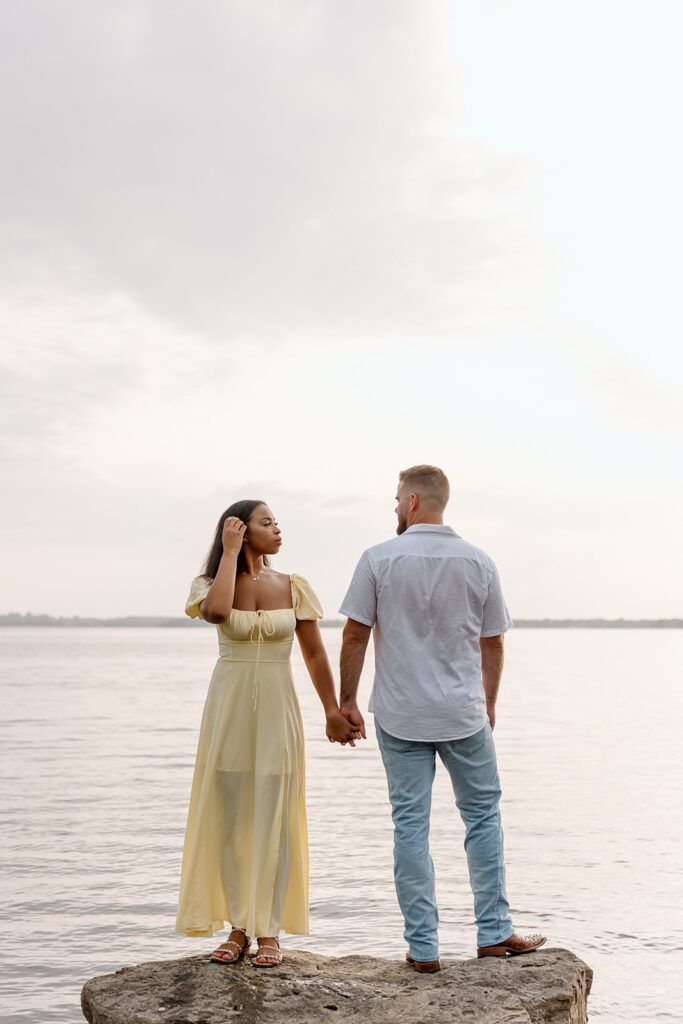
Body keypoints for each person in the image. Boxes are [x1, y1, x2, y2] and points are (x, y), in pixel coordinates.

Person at [338, 465, 546, 972]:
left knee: (410, 826)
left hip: (399, 712)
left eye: (394, 500)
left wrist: (346, 702)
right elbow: (493, 640)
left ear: (412, 502)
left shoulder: (377, 559)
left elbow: (354, 636)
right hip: (463, 712)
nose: (393, 509)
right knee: (483, 817)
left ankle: (424, 949)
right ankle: (495, 933)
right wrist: (488, 700)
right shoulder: (479, 560)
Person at [176, 499, 358, 968]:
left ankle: (269, 930)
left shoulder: (293, 585)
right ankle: (238, 928)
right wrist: (230, 554)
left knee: (275, 814)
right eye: (266, 522)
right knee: (232, 814)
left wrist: (332, 712)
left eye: (277, 521)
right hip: (228, 710)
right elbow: (218, 613)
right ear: (237, 530)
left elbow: (315, 654)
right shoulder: (212, 584)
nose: (278, 529)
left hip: (279, 709)